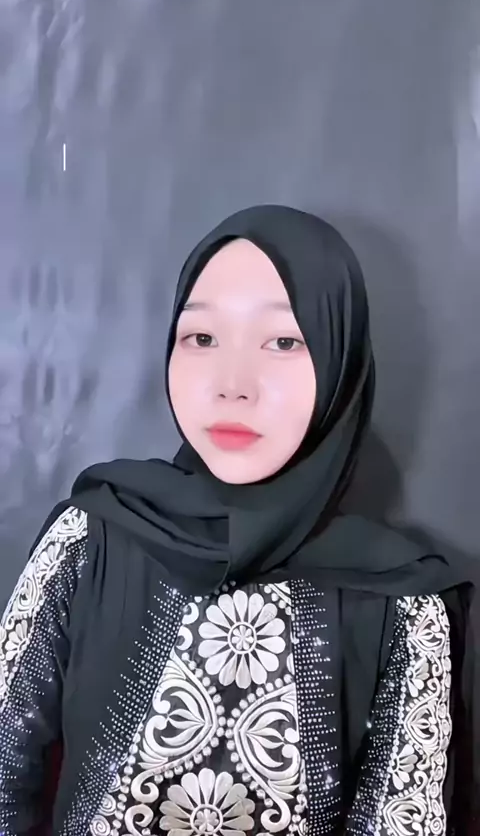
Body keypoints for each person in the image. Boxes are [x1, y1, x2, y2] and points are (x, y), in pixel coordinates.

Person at [0, 205, 474, 835]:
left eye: (283, 341)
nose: (232, 385)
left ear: (339, 359)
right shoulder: (93, 538)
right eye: (202, 338)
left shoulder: (403, 603)